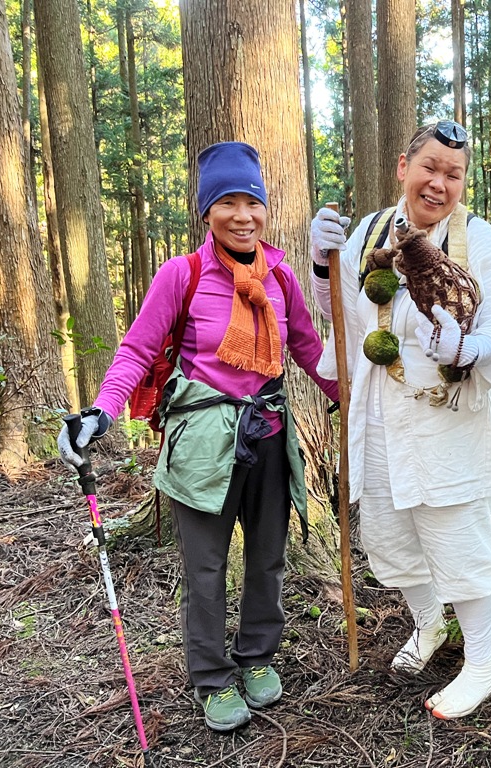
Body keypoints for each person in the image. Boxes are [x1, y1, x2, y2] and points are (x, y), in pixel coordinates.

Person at [57, 141, 338, 733]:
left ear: (265, 209)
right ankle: (211, 677)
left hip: (268, 433)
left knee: (268, 557)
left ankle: (257, 656)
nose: (243, 215)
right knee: (206, 567)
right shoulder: (181, 275)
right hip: (202, 442)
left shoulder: (281, 276)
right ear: (207, 212)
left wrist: (353, 402)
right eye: (227, 202)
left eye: (252, 202)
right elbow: (137, 349)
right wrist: (102, 413)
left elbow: (309, 349)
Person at [309, 121, 491, 719]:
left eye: (453, 174)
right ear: (404, 167)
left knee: (457, 535)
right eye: (429, 167)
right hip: (381, 411)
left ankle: (481, 663)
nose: (439, 183)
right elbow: (347, 316)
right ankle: (429, 624)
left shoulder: (475, 239)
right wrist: (324, 265)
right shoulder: (371, 232)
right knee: (391, 532)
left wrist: (468, 349)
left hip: (446, 418)